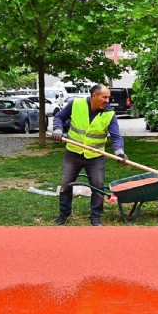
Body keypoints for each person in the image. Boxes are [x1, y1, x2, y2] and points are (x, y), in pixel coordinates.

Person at [51, 84, 127, 226]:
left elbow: (116, 137)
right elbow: (59, 118)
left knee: (97, 186)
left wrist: (119, 152)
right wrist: (58, 129)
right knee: (66, 185)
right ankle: (64, 213)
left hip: (95, 156)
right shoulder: (76, 104)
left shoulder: (109, 114)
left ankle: (96, 216)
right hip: (73, 153)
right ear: (94, 96)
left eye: (108, 97)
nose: (107, 100)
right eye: (104, 97)